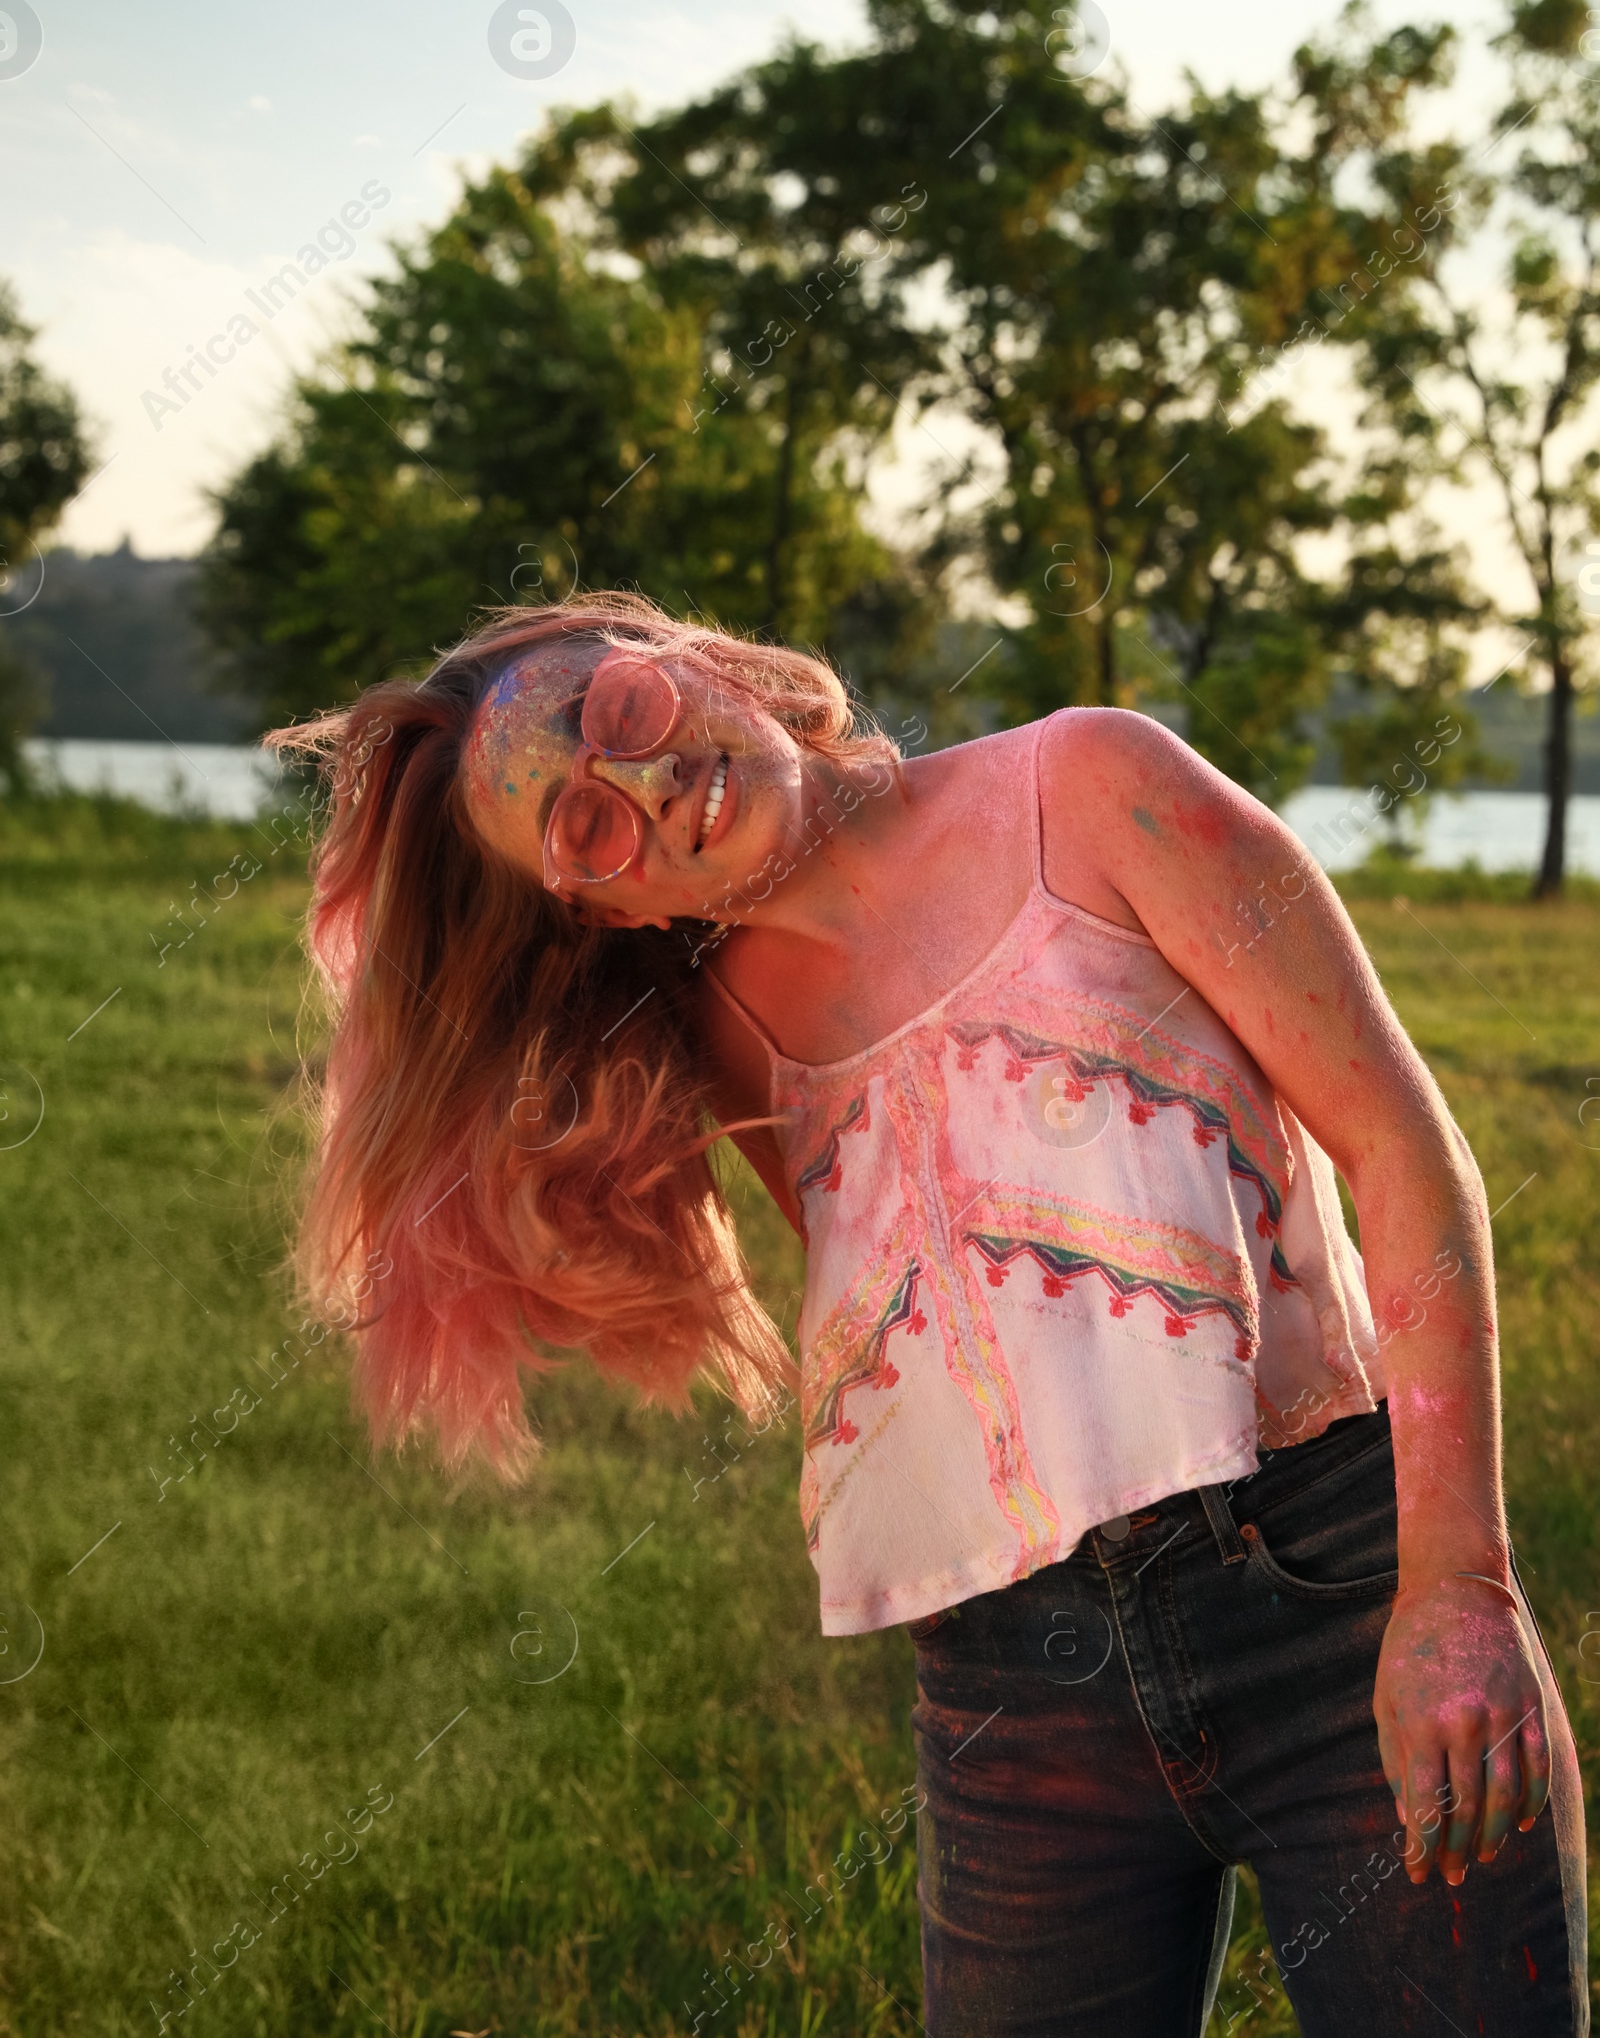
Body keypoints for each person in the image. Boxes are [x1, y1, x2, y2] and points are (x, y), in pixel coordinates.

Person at [271, 591, 1588, 2037]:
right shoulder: (728, 1042)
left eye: (621, 711)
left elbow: (1404, 1145)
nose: (648, 786)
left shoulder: (1092, 786)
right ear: (603, 911)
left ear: (695, 662)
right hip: (1011, 1687)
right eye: (585, 828)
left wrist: (1458, 1586)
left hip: (1329, 1584)